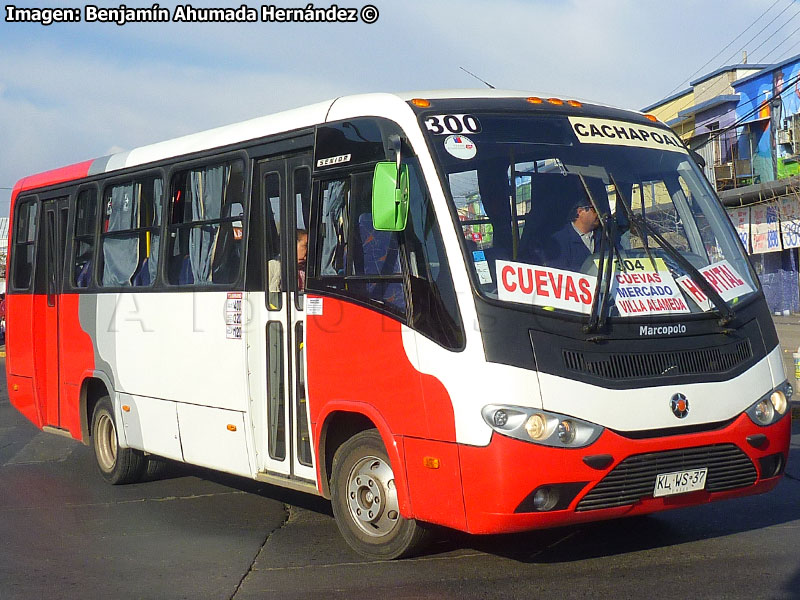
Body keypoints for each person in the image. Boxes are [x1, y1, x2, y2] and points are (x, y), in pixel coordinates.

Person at [545, 200, 600, 272]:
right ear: (580, 211)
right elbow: (557, 274)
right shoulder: (558, 241)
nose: (599, 213)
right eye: (594, 209)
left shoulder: (607, 236)